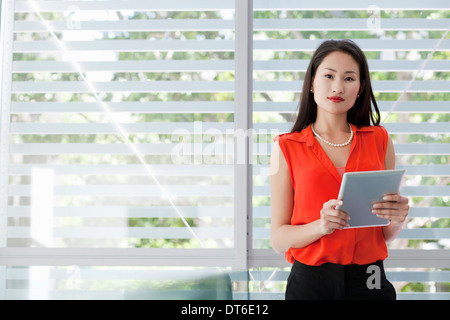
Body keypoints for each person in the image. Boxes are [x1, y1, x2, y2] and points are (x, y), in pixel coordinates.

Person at [269, 39, 410, 300]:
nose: (337, 87)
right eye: (329, 76)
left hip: (371, 280)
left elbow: (382, 233)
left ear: (360, 88)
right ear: (312, 82)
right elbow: (278, 239)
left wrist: (398, 218)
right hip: (311, 282)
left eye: (348, 78)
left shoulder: (379, 140)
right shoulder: (286, 147)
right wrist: (321, 226)